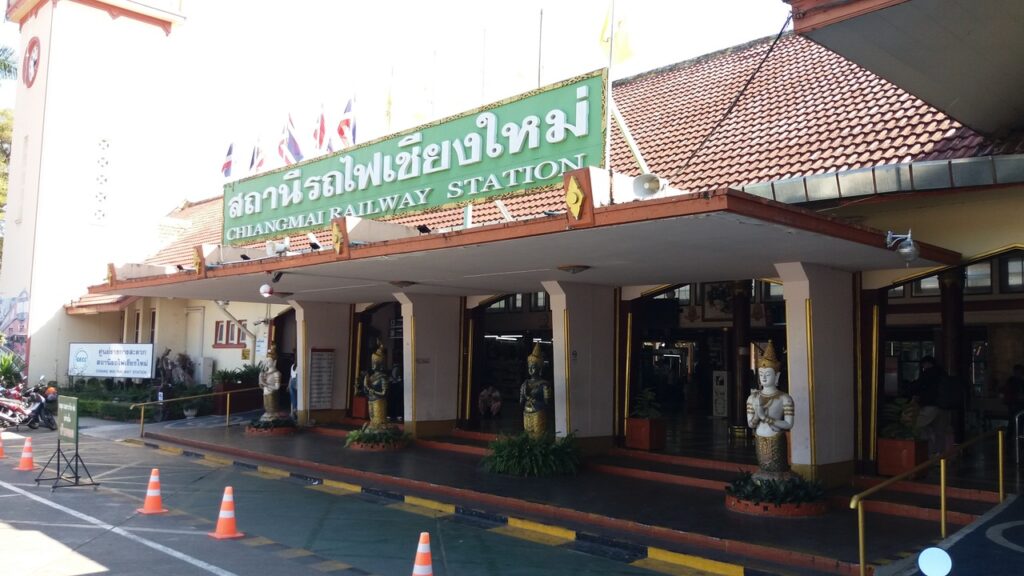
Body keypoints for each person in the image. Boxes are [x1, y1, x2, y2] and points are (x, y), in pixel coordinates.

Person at [745, 341, 795, 481]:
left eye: (768, 373)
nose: (764, 377)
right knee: (763, 469)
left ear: (777, 376)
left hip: (776, 438)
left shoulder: (784, 398)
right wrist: (757, 413)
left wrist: (765, 417)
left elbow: (789, 425)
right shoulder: (753, 398)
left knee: (778, 473)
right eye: (761, 374)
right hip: (760, 437)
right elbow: (751, 424)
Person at [906, 355, 950, 455]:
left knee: (919, 425)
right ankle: (940, 455)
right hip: (943, 407)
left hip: (930, 405)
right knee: (940, 432)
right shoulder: (943, 373)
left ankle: (928, 452)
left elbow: (917, 386)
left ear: (927, 364)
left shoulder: (927, 374)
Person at [519, 343, 552, 438]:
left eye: (533, 367)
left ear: (539, 368)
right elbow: (521, 402)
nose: (530, 369)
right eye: (529, 367)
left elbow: (547, 403)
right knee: (528, 435)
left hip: (538, 412)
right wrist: (523, 394)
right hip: (526, 412)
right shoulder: (525, 383)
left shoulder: (544, 384)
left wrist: (546, 392)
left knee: (538, 437)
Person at [362, 344, 390, 429]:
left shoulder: (383, 377)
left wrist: (374, 392)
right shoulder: (371, 377)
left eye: (375, 363)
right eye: (373, 363)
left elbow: (384, 393)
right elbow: (366, 390)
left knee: (378, 423)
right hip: (371, 400)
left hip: (379, 401)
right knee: (372, 422)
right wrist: (365, 381)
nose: (373, 365)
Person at [258, 350, 282, 422]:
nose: (267, 363)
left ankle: (273, 416)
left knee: (272, 408)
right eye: (267, 361)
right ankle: (268, 414)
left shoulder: (276, 373)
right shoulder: (265, 373)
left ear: (274, 362)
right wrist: (260, 381)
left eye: (269, 361)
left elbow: (277, 387)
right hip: (265, 392)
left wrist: (266, 384)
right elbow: (261, 387)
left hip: (272, 393)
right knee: (266, 406)